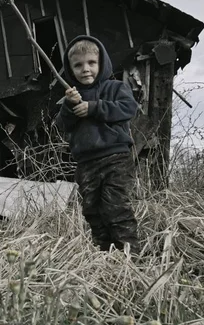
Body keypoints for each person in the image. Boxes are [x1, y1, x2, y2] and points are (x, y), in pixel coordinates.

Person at [55, 35, 140, 255]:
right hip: (86, 164)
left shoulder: (115, 88)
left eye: (91, 63)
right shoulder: (71, 98)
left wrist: (93, 108)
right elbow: (62, 125)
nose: (86, 69)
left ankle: (130, 255)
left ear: (101, 63)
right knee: (92, 210)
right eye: (78, 65)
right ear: (70, 69)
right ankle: (104, 253)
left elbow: (128, 109)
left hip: (116, 159)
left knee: (116, 206)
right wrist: (68, 106)